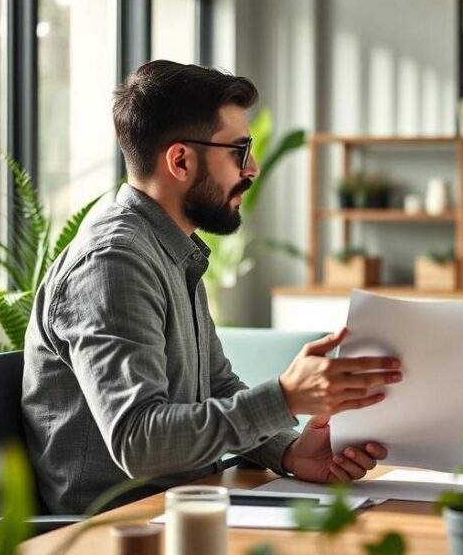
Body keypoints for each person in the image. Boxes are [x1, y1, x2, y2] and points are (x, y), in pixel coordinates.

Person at [22, 60, 402, 514]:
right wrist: (284, 398)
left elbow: (216, 385)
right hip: (118, 532)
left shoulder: (171, 248)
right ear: (180, 160)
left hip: (185, 508)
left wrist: (287, 450)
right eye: (239, 151)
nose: (254, 167)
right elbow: (138, 442)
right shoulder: (113, 262)